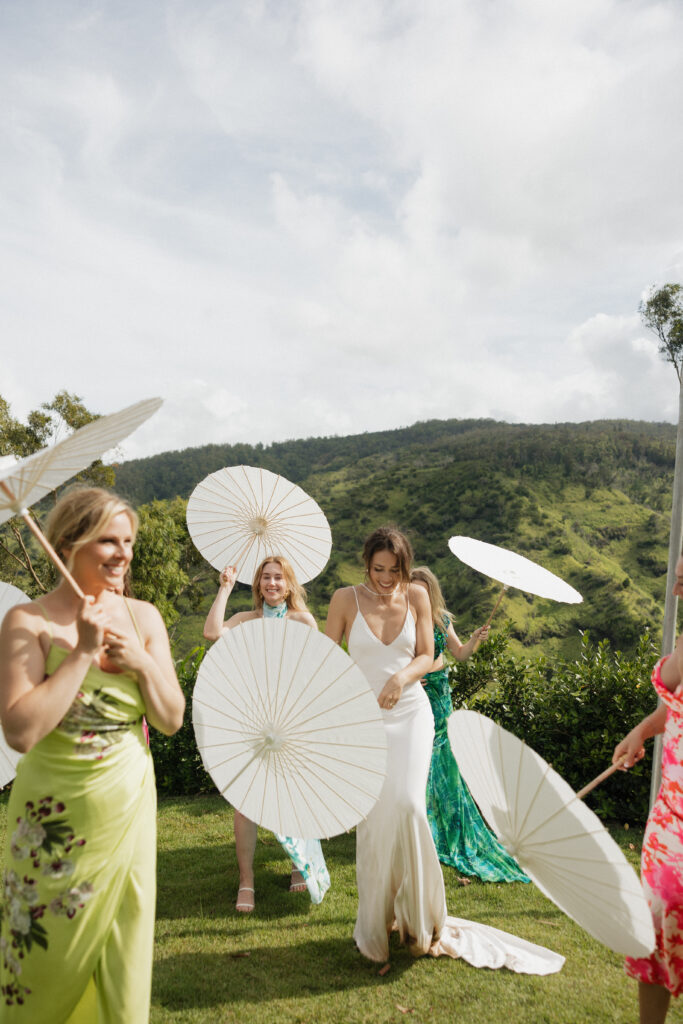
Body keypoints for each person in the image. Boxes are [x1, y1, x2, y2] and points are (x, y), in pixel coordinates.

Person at [325, 525, 563, 972]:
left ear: (406, 567)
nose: (386, 579)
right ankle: (376, 926)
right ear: (366, 564)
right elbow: (326, 657)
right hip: (365, 723)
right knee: (375, 823)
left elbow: (426, 655)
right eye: (378, 570)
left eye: (395, 571)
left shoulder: (416, 597)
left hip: (412, 714)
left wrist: (399, 678)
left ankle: (422, 920)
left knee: (411, 806)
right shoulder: (343, 600)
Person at [0, 487, 185, 1023]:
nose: (123, 553)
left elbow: (171, 719)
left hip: (126, 808)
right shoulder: (27, 623)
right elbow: (21, 731)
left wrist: (143, 665)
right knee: (42, 962)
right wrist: (82, 651)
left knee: (120, 954)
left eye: (128, 540)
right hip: (53, 817)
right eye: (108, 540)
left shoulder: (144, 617)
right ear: (68, 542)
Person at [203, 557, 330, 913]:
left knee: (293, 795)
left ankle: (298, 863)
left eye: (278, 578)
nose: (271, 583)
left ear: (289, 585)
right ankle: (247, 881)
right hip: (252, 719)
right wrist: (225, 588)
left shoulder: (302, 621)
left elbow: (314, 669)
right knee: (245, 801)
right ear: (257, 585)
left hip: (293, 718)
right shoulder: (247, 620)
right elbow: (212, 633)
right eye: (265, 578)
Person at [410, 566, 529, 883]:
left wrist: (475, 638)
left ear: (430, 591)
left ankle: (440, 826)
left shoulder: (441, 620)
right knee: (421, 756)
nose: (416, 594)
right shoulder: (403, 619)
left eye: (421, 588)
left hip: (440, 692)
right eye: (412, 588)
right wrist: (408, 677)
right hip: (416, 692)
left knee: (443, 758)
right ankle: (420, 826)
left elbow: (460, 654)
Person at [612, 555, 683, 1024]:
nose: (677, 586)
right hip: (671, 810)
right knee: (654, 921)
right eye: (678, 576)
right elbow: (675, 705)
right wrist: (642, 729)